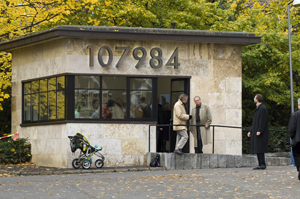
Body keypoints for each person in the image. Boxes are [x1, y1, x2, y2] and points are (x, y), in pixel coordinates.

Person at [247, 94, 269, 170]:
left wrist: (260, 130)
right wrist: (251, 131)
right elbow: (255, 122)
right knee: (258, 148)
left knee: (260, 148)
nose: (254, 99)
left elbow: (262, 121)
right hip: (256, 131)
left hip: (260, 132)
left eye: (254, 97)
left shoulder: (262, 108)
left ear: (257, 99)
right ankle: (260, 164)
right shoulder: (258, 108)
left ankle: (262, 164)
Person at [288, 108, 300, 180]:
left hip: (298, 139)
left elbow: (292, 128)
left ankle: (299, 168)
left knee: (297, 155)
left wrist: (293, 137)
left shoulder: (295, 115)